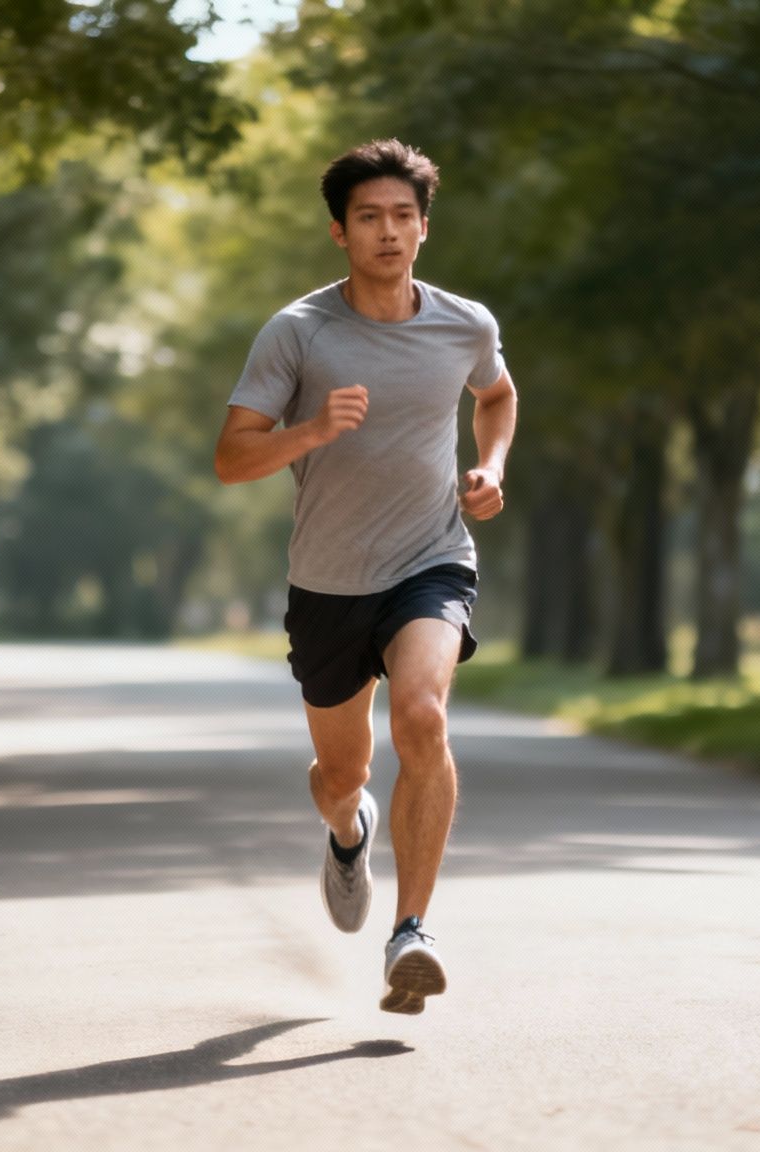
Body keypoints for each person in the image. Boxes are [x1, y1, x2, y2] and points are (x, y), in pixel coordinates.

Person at [214, 139, 518, 1015]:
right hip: (328, 582)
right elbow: (233, 459)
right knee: (339, 774)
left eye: (402, 216)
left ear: (424, 228)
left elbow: (495, 395)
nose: (387, 232)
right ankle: (349, 833)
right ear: (340, 234)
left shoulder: (466, 323)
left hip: (431, 559)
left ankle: (411, 932)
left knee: (423, 716)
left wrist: (491, 466)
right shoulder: (298, 332)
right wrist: (307, 434)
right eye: (368, 218)